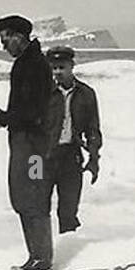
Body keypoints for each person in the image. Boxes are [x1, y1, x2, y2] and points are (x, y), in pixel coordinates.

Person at [0, 15, 56, 270]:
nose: (3, 46)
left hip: (34, 146)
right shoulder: (30, 62)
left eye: (5, 39)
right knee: (27, 197)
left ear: (18, 37)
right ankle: (37, 256)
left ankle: (41, 258)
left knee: (33, 196)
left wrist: (2, 118)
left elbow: (33, 113)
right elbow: (27, 108)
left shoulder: (32, 65)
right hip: (28, 143)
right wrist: (3, 114)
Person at [44, 46, 103, 233]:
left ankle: (68, 249)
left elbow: (93, 129)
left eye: (62, 67)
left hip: (70, 157)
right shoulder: (40, 93)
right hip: (39, 158)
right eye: (53, 68)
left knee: (69, 209)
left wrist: (94, 158)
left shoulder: (86, 94)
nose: (57, 72)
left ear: (72, 66)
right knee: (37, 206)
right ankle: (40, 254)